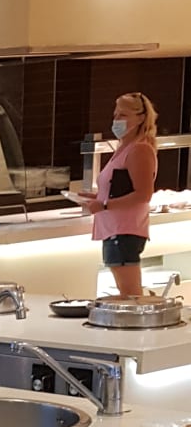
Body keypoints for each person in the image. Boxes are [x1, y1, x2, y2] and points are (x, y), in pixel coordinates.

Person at [74, 93, 158, 298]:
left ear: (140, 118)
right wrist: (97, 197)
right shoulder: (124, 148)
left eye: (123, 115)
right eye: (116, 115)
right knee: (126, 292)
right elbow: (120, 188)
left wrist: (104, 205)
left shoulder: (139, 150)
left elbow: (143, 194)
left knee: (130, 295)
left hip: (124, 231)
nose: (117, 120)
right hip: (114, 230)